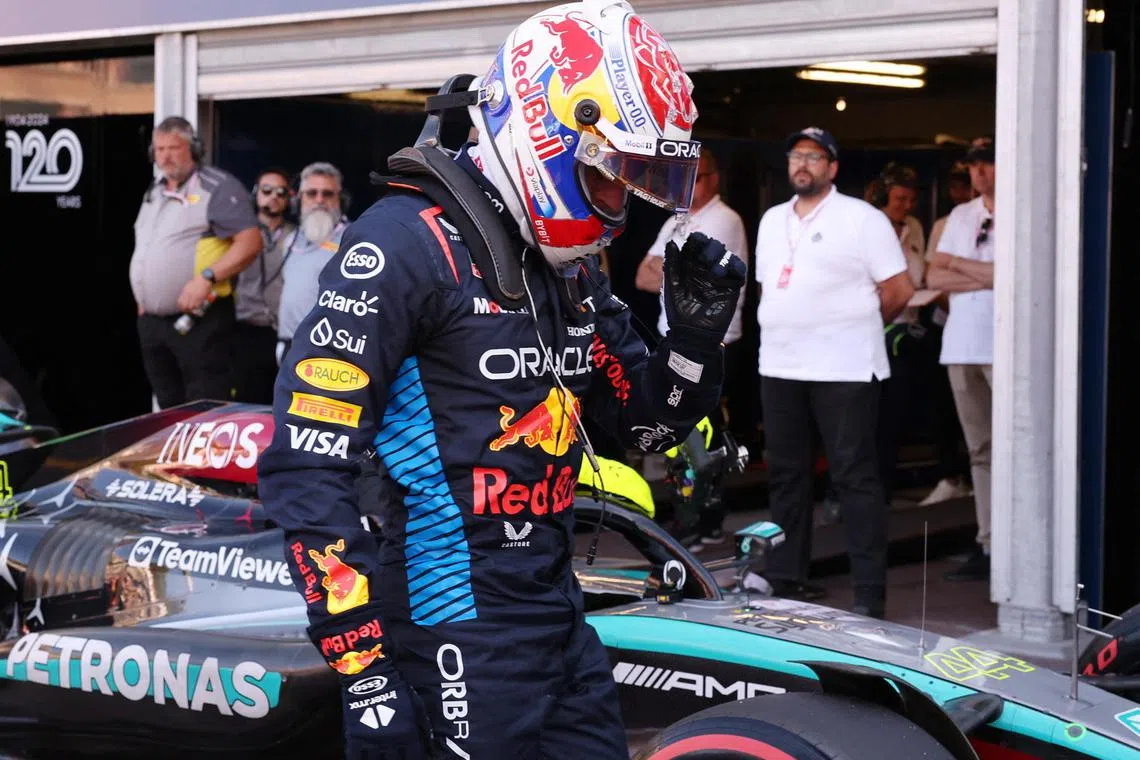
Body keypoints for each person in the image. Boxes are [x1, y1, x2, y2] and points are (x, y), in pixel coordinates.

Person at [257, 1, 746, 757]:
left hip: (556, 616)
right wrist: (364, 671)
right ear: (547, 133)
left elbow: (646, 426)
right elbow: (305, 467)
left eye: (630, 183)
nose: (618, 205)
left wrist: (693, 343)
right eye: (608, 176)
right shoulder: (403, 245)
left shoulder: (568, 270)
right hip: (446, 628)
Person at [754, 126, 913, 618]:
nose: (802, 164)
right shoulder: (771, 220)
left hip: (845, 367)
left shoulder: (862, 219)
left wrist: (854, 327)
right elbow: (767, 288)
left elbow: (899, 289)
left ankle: (869, 593)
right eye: (795, 155)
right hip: (780, 364)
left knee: (854, 477)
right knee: (786, 475)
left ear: (833, 167)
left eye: (814, 156)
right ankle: (786, 577)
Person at [634, 147, 749, 548]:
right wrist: (677, 275)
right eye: (684, 178)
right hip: (674, 339)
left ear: (715, 179)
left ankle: (700, 521)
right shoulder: (677, 220)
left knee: (701, 435)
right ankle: (696, 518)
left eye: (697, 178)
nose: (688, 186)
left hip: (711, 343)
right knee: (680, 436)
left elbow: (702, 282)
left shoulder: (725, 218)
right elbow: (642, 276)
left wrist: (671, 272)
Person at [129, 116, 261, 409]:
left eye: (173, 148)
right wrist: (144, 298)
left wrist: (207, 278)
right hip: (153, 322)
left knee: (204, 406)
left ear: (194, 149)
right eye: (159, 149)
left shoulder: (217, 187)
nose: (165, 156)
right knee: (168, 407)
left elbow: (250, 242)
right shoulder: (155, 191)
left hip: (201, 319)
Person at [927, 136, 996, 582]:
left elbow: (1013, 274)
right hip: (961, 344)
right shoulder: (960, 215)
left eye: (987, 163)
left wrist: (959, 265)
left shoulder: (1020, 208)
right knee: (980, 449)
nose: (979, 172)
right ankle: (988, 541)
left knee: (1015, 448)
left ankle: (1014, 543)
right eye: (973, 166)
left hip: (1003, 345)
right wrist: (988, 275)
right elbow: (934, 275)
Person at [917, 160, 976, 506]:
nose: (959, 192)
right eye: (954, 185)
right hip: (946, 322)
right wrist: (977, 281)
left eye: (964, 184)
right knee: (944, 405)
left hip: (984, 324)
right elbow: (934, 278)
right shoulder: (944, 224)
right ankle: (950, 475)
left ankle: (976, 477)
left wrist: (961, 276)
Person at [873, 162, 926, 502]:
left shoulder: (915, 227)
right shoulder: (870, 224)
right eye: (899, 199)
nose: (906, 207)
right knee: (870, 416)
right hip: (875, 330)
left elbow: (919, 274)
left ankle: (885, 488)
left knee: (896, 415)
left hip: (907, 331)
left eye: (911, 200)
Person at [232, 167, 297, 403]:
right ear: (255, 194)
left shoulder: (298, 236)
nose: (273, 197)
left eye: (281, 192)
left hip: (284, 333)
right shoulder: (239, 235)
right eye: (267, 190)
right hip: (245, 330)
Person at [274, 161, 349, 363]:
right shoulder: (291, 240)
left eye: (327, 194)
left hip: (325, 350)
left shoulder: (351, 240)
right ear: (299, 199)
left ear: (341, 199)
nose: (319, 200)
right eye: (312, 193)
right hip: (287, 346)